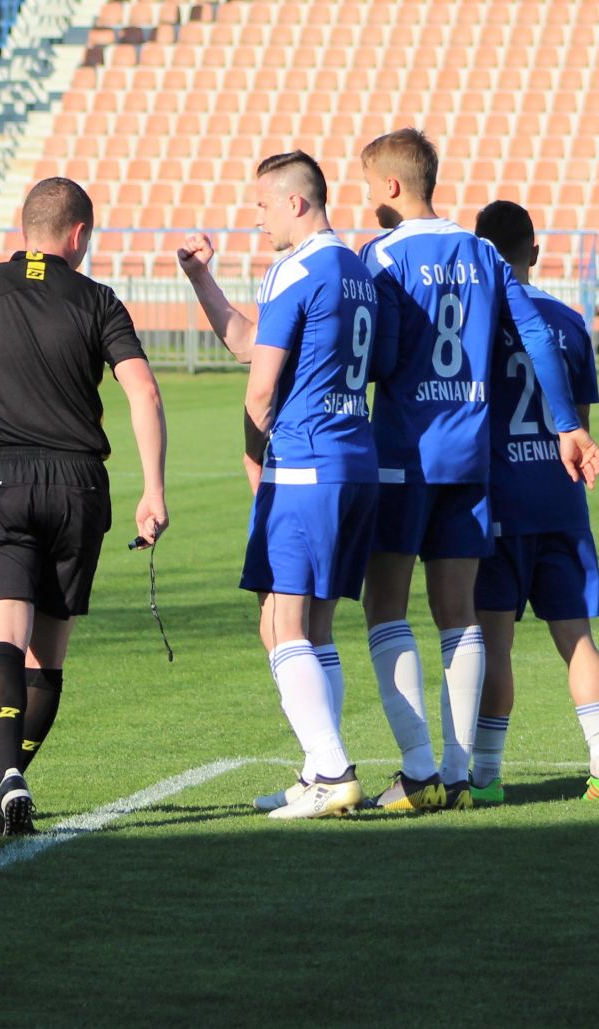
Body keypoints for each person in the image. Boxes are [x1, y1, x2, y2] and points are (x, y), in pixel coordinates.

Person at [0, 177, 168, 836]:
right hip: (79, 487)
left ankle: (7, 777)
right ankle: (7, 778)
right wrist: (154, 489)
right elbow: (143, 392)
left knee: (3, 638)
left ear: (25, 230)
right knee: (45, 658)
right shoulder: (99, 299)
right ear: (79, 234)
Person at [357, 129, 599, 812]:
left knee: (385, 604)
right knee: (458, 613)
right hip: (470, 458)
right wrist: (569, 424)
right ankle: (461, 772)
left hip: (405, 452)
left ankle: (418, 771)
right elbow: (535, 337)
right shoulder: (483, 253)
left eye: (369, 185)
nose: (368, 197)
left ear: (392, 185)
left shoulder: (381, 254)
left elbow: (380, 357)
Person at [178, 151, 383, 819]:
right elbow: (249, 339)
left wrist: (254, 457)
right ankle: (318, 769)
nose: (257, 217)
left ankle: (333, 770)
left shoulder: (294, 269)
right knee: (315, 626)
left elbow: (259, 386)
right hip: (355, 459)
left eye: (263, 204)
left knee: (280, 621)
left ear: (296, 202)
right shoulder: (356, 268)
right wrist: (201, 278)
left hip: (304, 464)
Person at [472, 200, 599, 803]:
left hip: (498, 505)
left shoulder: (476, 324)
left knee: (495, 646)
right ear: (533, 253)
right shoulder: (568, 321)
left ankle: (486, 777)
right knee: (577, 640)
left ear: (480, 255)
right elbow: (578, 426)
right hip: (560, 504)